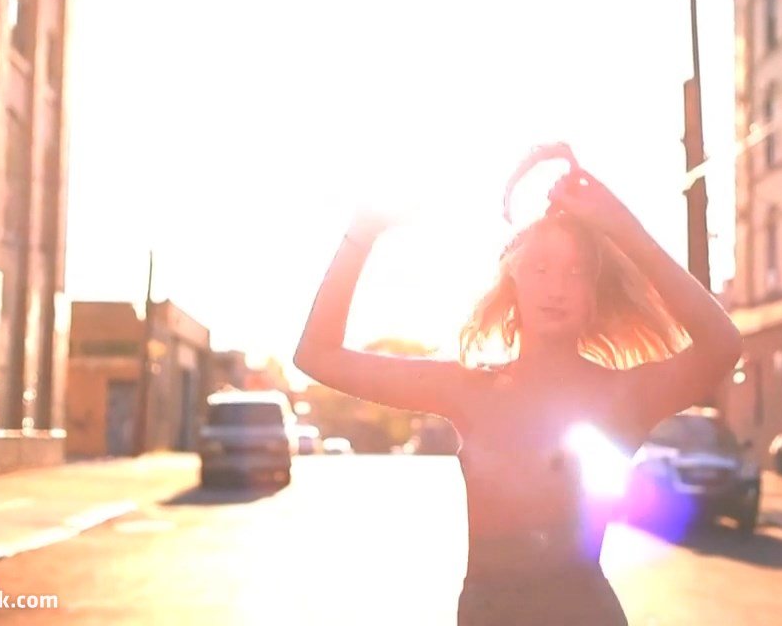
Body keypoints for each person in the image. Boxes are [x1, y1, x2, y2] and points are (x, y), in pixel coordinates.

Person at [293, 159, 743, 625]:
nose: (557, 287)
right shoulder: (468, 390)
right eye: (541, 267)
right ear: (514, 281)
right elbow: (316, 356)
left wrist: (621, 226)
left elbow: (723, 345)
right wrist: (361, 232)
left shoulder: (622, 396)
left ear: (594, 292)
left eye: (576, 272)